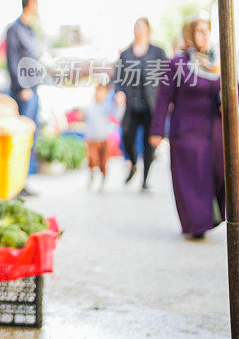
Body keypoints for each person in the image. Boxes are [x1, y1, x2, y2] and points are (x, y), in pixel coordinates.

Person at [149, 18, 225, 240]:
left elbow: (233, 90)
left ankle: (214, 215)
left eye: (206, 31)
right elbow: (164, 97)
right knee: (193, 179)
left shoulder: (219, 62)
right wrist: (157, 130)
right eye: (199, 32)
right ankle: (197, 224)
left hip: (215, 131)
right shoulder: (177, 63)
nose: (203, 36)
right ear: (189, 35)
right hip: (187, 132)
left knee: (221, 175)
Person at [113, 17, 167, 190]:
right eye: (136, 26)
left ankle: (145, 179)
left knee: (148, 142)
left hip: (152, 105)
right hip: (131, 105)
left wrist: (168, 100)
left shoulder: (158, 52)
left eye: (142, 26)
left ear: (148, 29)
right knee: (127, 137)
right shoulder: (126, 53)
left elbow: (168, 76)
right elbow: (118, 77)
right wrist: (119, 91)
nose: (139, 29)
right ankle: (134, 163)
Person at [6, 0, 41, 188]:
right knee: (21, 139)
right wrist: (22, 87)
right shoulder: (15, 30)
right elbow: (12, 60)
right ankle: (17, 183)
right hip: (23, 91)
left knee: (31, 137)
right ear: (29, 5)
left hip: (34, 89)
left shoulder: (30, 30)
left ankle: (24, 181)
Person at [84, 80, 120, 191]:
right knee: (92, 160)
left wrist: (119, 105)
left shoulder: (107, 106)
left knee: (103, 161)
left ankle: (103, 180)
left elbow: (117, 115)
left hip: (103, 138)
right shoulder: (89, 106)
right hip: (91, 139)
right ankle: (91, 176)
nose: (100, 94)